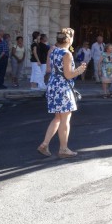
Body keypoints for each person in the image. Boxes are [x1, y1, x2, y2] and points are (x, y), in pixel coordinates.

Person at [37, 28, 87, 159]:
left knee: (57, 118)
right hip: (63, 88)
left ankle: (44, 144)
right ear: (69, 39)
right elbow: (68, 74)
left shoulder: (53, 51)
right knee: (65, 119)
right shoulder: (67, 54)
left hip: (53, 86)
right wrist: (79, 70)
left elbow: (49, 69)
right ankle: (63, 149)